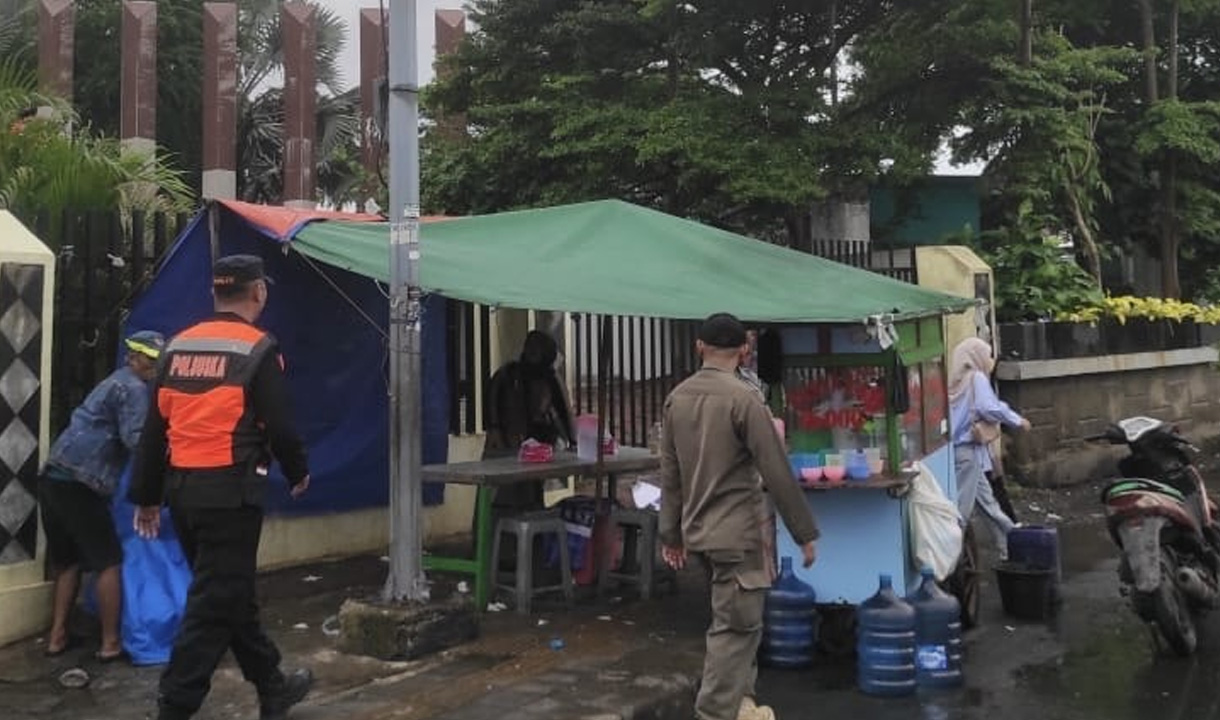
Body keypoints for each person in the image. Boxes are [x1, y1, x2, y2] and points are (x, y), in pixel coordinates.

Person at [129, 255, 312, 720]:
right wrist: (298, 471)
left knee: (229, 593)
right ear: (258, 293)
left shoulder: (177, 348)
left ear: (216, 293)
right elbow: (280, 427)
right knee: (214, 602)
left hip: (183, 493)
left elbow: (155, 432)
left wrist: (147, 496)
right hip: (230, 495)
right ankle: (175, 704)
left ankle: (272, 687)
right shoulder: (258, 348)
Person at [659, 313, 820, 720]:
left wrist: (670, 535)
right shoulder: (744, 400)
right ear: (745, 350)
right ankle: (714, 713)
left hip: (696, 534)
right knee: (735, 630)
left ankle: (742, 707)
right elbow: (776, 470)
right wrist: (804, 532)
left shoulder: (676, 398)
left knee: (735, 626)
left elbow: (670, 475)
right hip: (736, 537)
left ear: (700, 346)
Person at [38, 329, 165, 661]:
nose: (153, 367)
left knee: (68, 562)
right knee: (109, 562)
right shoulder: (133, 389)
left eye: (157, 361)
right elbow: (136, 441)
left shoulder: (112, 382)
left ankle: (57, 637)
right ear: (133, 358)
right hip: (82, 483)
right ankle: (110, 643)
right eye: (149, 360)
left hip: (54, 478)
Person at [948, 337, 1030, 560]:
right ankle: (947, 557)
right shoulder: (976, 378)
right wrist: (1016, 419)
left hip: (957, 452)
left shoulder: (955, 382)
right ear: (977, 356)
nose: (991, 360)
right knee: (961, 512)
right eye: (988, 354)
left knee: (988, 504)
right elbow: (988, 407)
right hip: (967, 452)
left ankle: (1011, 545)